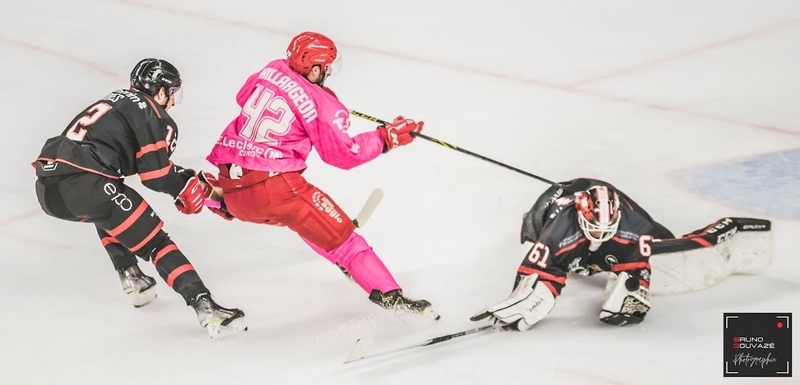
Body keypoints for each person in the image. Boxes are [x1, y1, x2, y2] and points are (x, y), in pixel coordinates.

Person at [204, 31, 439, 319]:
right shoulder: (323, 105)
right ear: (315, 68)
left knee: (298, 218)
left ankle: (213, 197)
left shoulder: (273, 68)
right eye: (326, 67)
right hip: (276, 189)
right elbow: (342, 154)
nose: (328, 72)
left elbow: (243, 96)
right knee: (344, 241)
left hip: (234, 187)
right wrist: (386, 137)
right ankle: (391, 297)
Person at [33, 58, 247, 339]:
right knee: (155, 241)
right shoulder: (152, 113)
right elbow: (155, 174)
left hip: (48, 188)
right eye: (172, 92)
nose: (172, 100)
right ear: (160, 91)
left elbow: (131, 161)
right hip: (86, 184)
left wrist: (187, 178)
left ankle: (133, 278)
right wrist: (184, 189)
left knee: (108, 210)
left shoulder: (117, 101)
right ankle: (207, 309)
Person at [470, 177, 772, 330]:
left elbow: (639, 264)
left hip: (617, 216)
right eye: (593, 228)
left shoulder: (634, 223)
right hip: (552, 204)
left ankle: (599, 260)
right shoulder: (557, 229)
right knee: (541, 235)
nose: (600, 233)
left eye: (607, 228)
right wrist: (529, 295)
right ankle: (586, 259)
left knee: (658, 237)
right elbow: (539, 269)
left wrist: (634, 287)